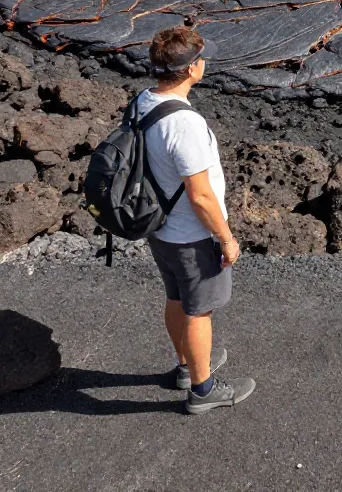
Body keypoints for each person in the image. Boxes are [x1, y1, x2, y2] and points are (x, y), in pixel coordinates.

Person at [139, 24, 255, 414]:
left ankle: (187, 367)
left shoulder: (144, 100)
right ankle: (203, 391)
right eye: (201, 59)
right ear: (191, 70)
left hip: (160, 229)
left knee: (176, 297)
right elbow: (201, 195)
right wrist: (226, 238)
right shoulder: (185, 124)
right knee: (199, 310)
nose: (204, 64)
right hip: (191, 235)